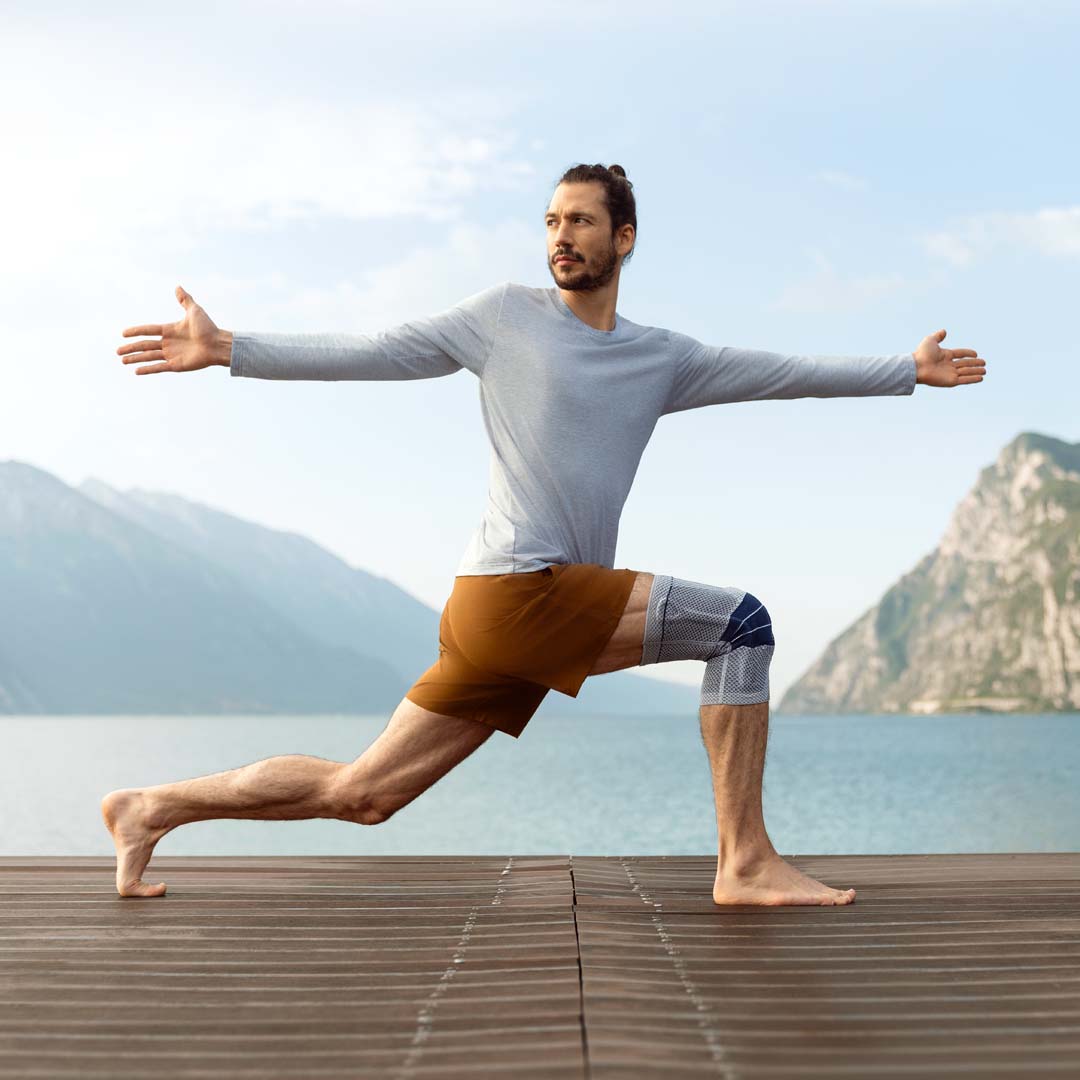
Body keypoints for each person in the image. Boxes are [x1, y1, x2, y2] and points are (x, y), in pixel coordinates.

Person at [105, 162, 986, 904]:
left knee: (364, 792)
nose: (562, 235)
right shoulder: (503, 318)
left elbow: (781, 372)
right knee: (740, 626)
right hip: (517, 592)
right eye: (553, 221)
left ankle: (150, 807)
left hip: (501, 613)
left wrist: (904, 371)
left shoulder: (661, 358)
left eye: (582, 221)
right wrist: (231, 348)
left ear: (625, 239)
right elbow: (378, 347)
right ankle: (746, 862)